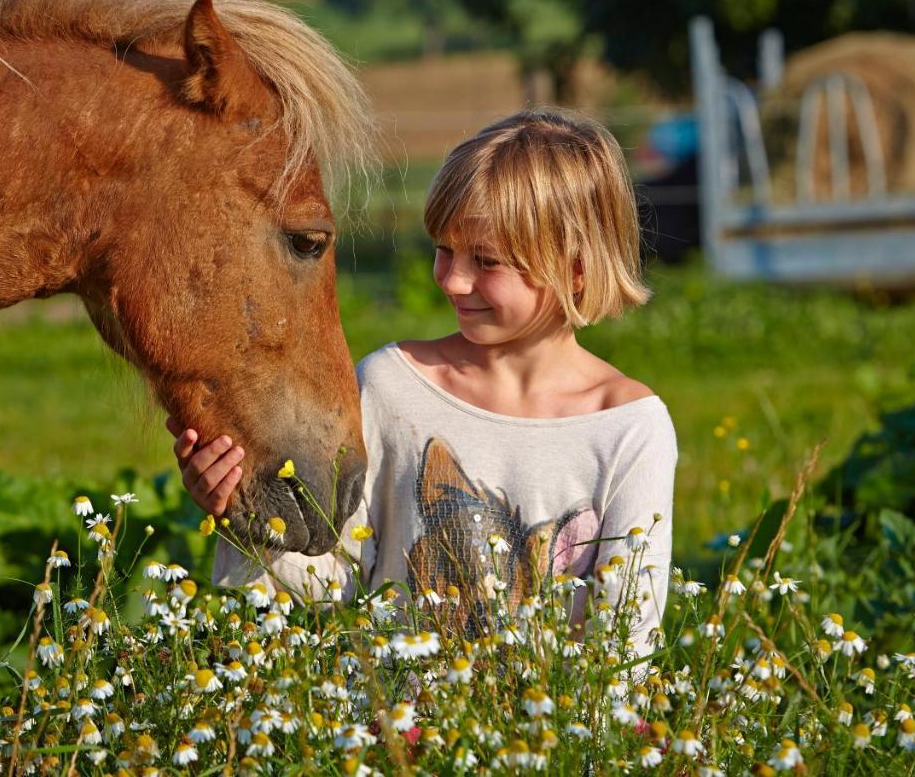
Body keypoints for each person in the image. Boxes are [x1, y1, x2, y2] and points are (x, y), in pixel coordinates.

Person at [167, 107, 678, 660]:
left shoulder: (627, 429)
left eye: (486, 259)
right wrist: (247, 514)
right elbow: (325, 585)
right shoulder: (392, 387)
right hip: (389, 735)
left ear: (576, 268)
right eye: (444, 250)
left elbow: (628, 637)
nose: (453, 279)